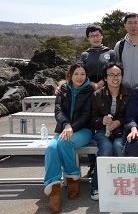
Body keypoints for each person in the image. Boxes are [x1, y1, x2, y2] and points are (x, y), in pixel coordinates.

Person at [44, 62, 94, 213]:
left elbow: (86, 116)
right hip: (64, 129)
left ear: (86, 76)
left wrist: (72, 127)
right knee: (51, 148)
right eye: (76, 74)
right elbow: (58, 110)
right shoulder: (63, 90)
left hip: (83, 130)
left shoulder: (90, 91)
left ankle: (73, 179)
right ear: (70, 75)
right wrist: (66, 124)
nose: (79, 77)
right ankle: (54, 189)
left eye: (82, 74)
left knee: (64, 143)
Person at [90, 62, 132, 201]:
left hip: (122, 129)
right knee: (106, 148)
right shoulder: (97, 95)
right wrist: (101, 121)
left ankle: (125, 185)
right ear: (105, 78)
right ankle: (97, 186)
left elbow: (133, 115)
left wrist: (119, 122)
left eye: (118, 74)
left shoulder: (129, 92)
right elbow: (92, 119)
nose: (115, 78)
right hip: (103, 131)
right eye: (111, 75)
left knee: (118, 147)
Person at [80, 24, 116, 178]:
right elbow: (80, 73)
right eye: (91, 35)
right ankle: (92, 165)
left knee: (105, 124)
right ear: (88, 38)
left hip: (106, 90)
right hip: (89, 92)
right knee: (91, 126)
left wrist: (103, 82)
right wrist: (92, 85)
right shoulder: (85, 55)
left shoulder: (110, 52)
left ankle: (109, 162)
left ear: (102, 35)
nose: (95, 38)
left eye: (97, 35)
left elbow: (115, 69)